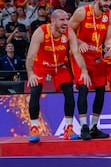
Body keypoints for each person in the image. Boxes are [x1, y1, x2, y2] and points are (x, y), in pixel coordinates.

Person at [25, 9, 91, 143]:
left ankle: (69, 128)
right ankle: (34, 128)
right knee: (35, 91)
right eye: (62, 20)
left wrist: (84, 71)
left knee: (70, 95)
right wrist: (31, 74)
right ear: (53, 21)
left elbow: (76, 53)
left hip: (60, 67)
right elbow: (30, 56)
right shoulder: (41, 32)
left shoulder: (68, 32)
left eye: (67, 19)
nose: (66, 22)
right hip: (41, 66)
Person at [69, 0, 111, 140]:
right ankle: (83, 127)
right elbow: (68, 30)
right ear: (96, 0)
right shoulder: (82, 12)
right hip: (80, 55)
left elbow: (108, 38)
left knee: (101, 90)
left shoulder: (110, 15)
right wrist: (80, 41)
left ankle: (94, 126)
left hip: (96, 55)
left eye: (109, 1)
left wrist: (109, 46)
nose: (108, 3)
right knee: (83, 88)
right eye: (105, 1)